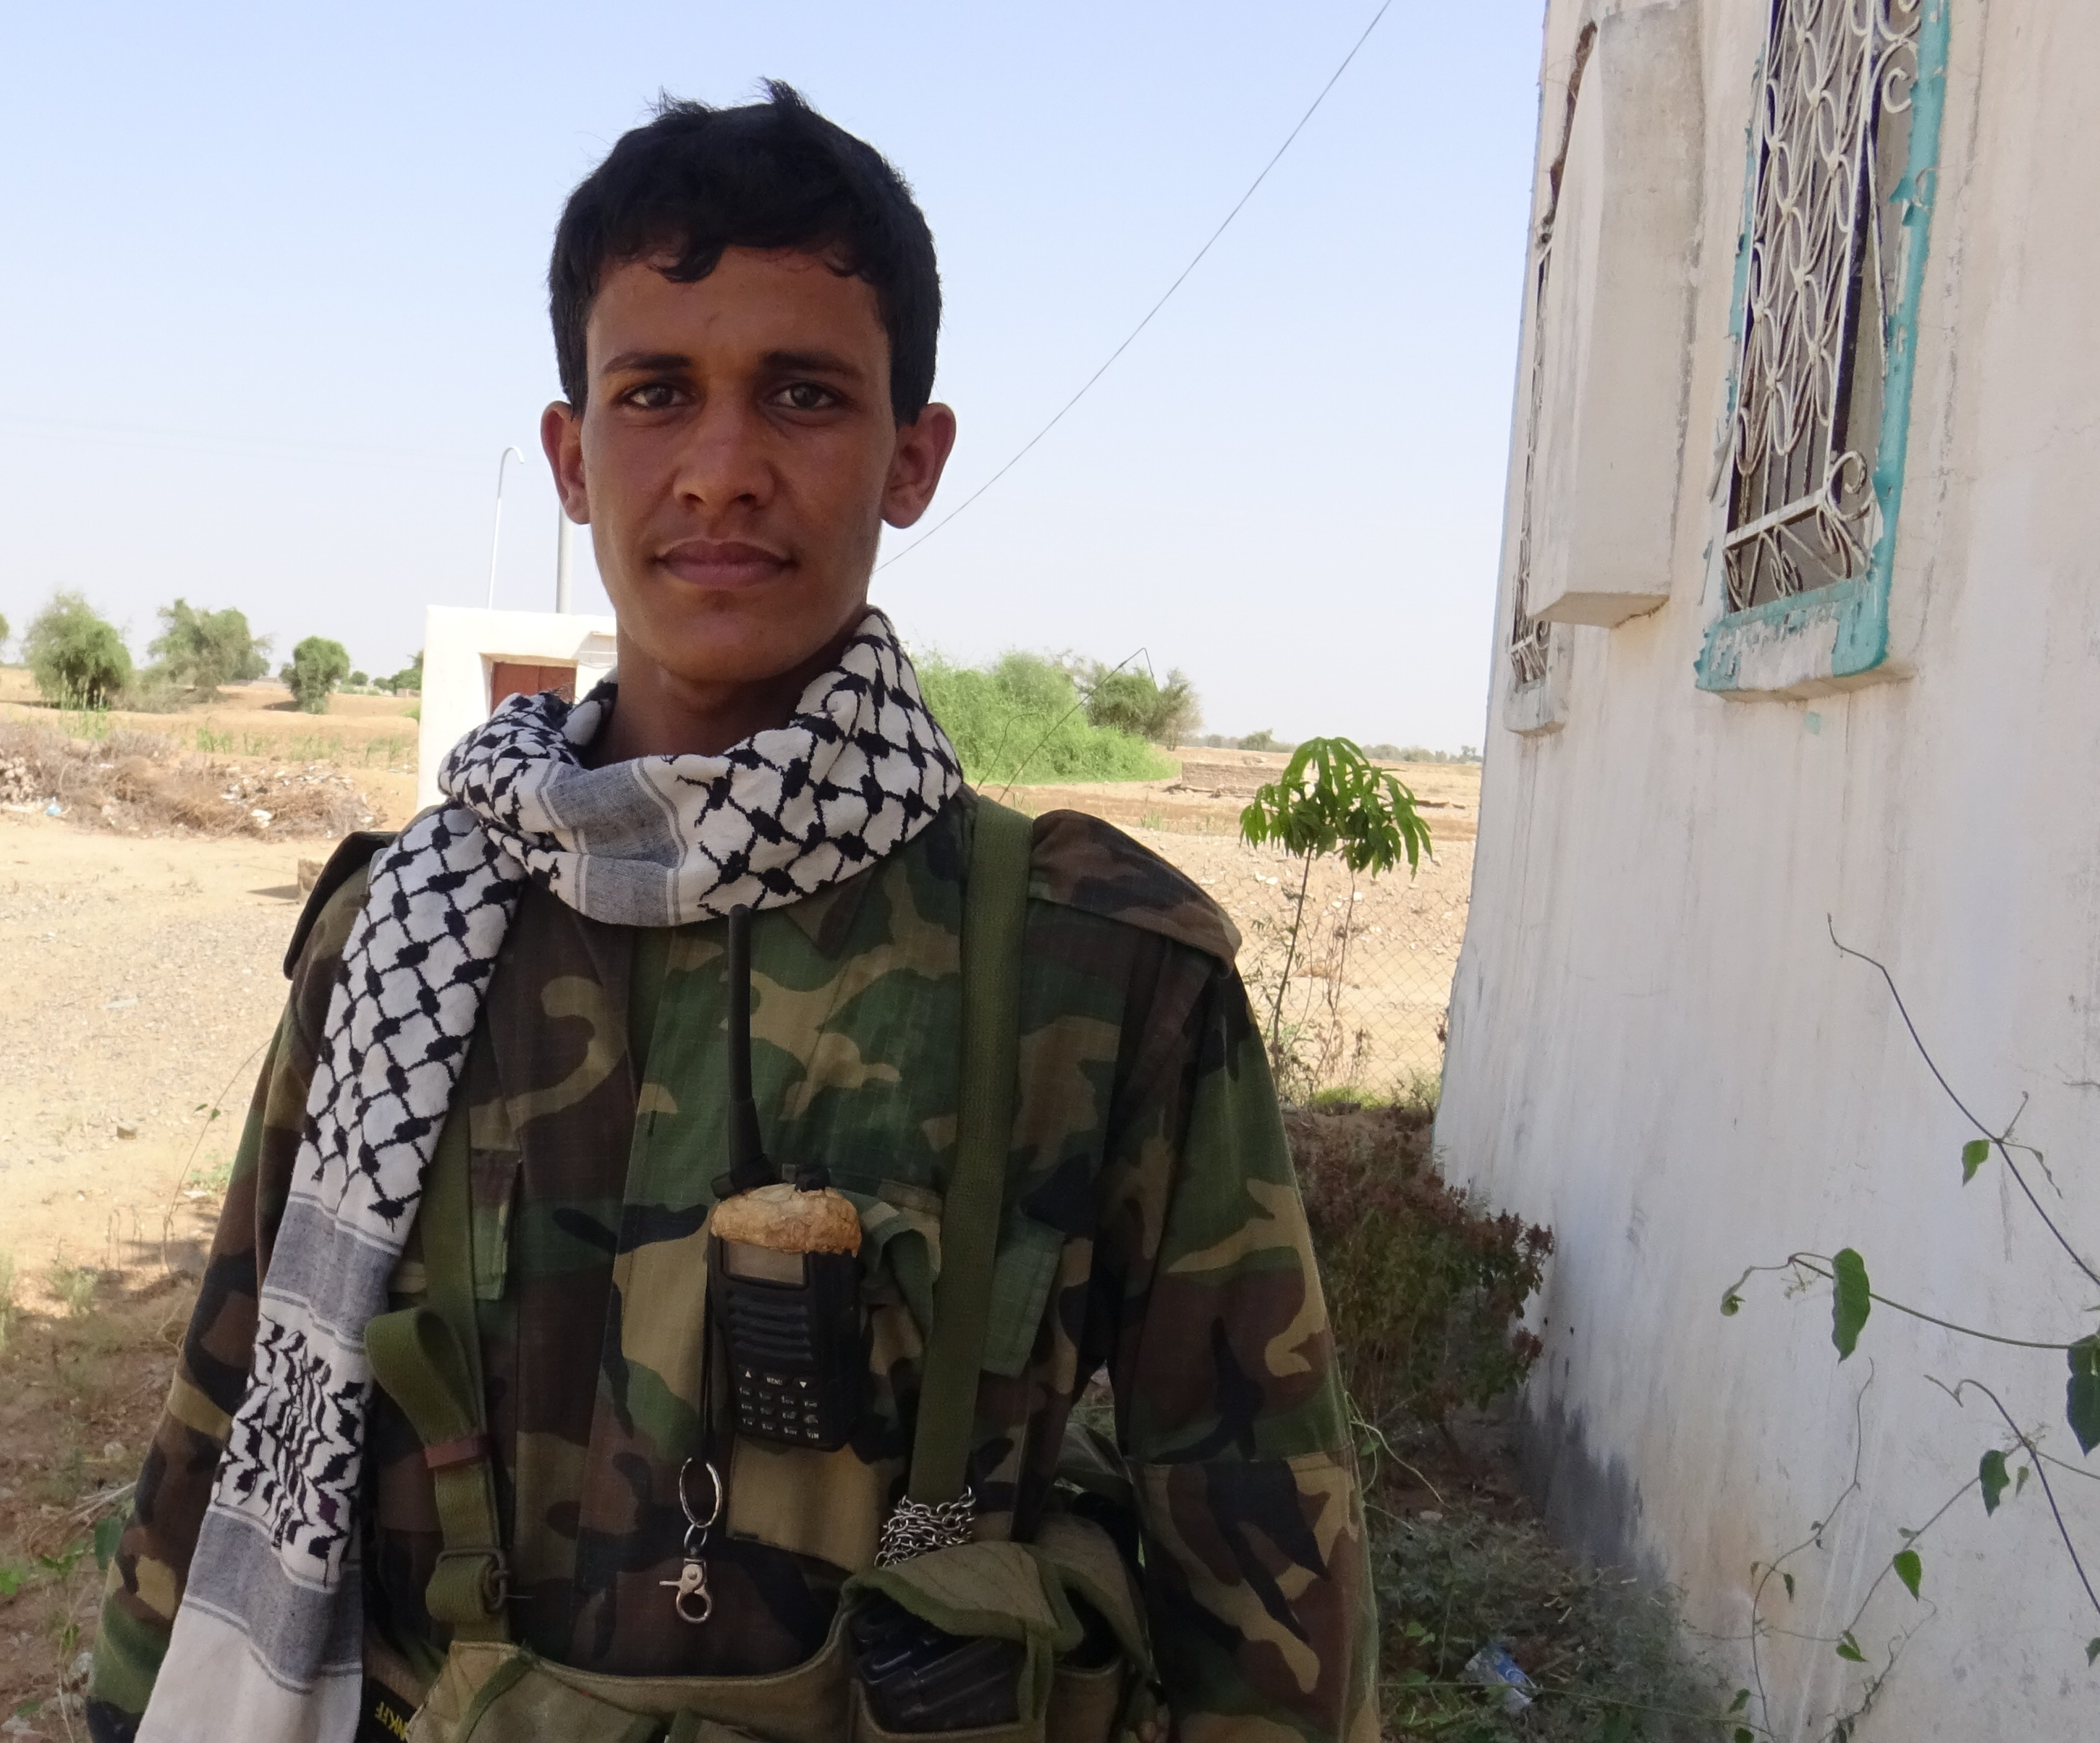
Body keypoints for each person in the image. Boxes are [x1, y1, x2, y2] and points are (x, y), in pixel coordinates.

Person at [92, 81, 1376, 1743]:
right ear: (571, 458)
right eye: (654, 394)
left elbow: (1262, 1562)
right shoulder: (402, 935)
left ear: (911, 458)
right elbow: (229, 1436)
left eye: (802, 394)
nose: (719, 470)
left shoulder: (1095, 966)